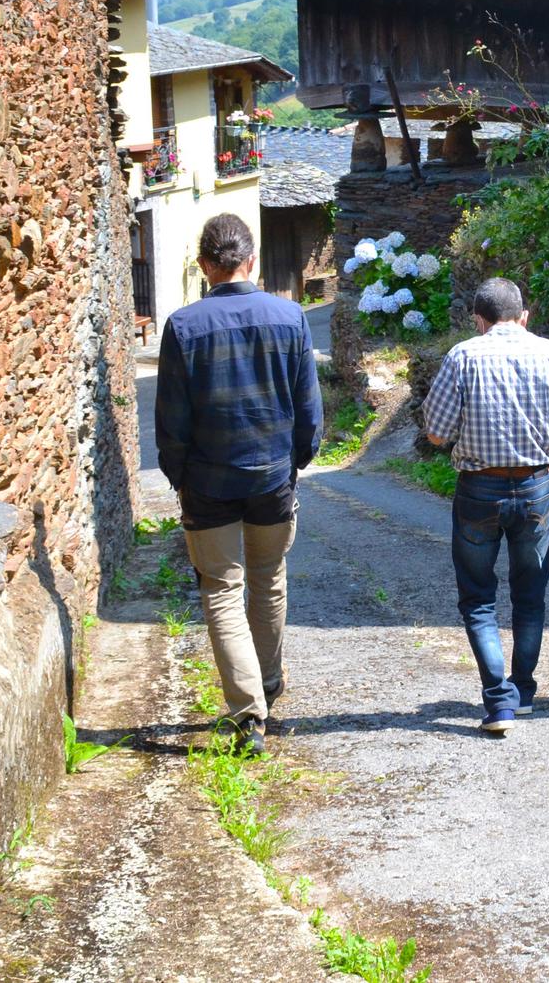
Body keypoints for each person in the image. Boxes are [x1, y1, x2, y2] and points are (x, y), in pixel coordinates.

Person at [155, 213, 322, 756]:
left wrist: (177, 474)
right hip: (272, 475)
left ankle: (248, 713)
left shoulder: (183, 327)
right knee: (268, 577)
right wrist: (297, 459)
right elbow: (307, 407)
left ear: (205, 266)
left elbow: (171, 420)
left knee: (221, 590)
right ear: (249, 260)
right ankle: (269, 683)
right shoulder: (290, 317)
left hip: (207, 480)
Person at [423, 277, 549, 735]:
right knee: (530, 595)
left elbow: (437, 432)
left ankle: (498, 702)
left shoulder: (463, 356)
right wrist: (546, 474)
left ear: (478, 320)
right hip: (536, 484)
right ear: (524, 315)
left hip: (478, 488)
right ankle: (523, 692)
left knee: (478, 598)